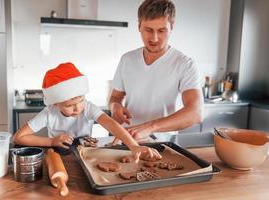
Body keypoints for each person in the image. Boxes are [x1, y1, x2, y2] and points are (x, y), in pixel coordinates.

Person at [13, 62, 161, 162]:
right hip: (58, 157)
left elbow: (110, 123)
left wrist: (133, 145)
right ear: (56, 104)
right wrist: (51, 141)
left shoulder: (88, 107)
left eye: (81, 100)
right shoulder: (49, 113)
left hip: (86, 156)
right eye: (70, 105)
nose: (78, 108)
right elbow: (19, 137)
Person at [109, 0, 203, 142]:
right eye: (148, 30)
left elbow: (195, 113)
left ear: (171, 27)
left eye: (161, 30)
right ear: (139, 26)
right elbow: (115, 98)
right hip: (126, 140)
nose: (154, 38)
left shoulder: (184, 64)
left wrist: (149, 127)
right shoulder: (127, 59)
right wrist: (115, 108)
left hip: (164, 144)